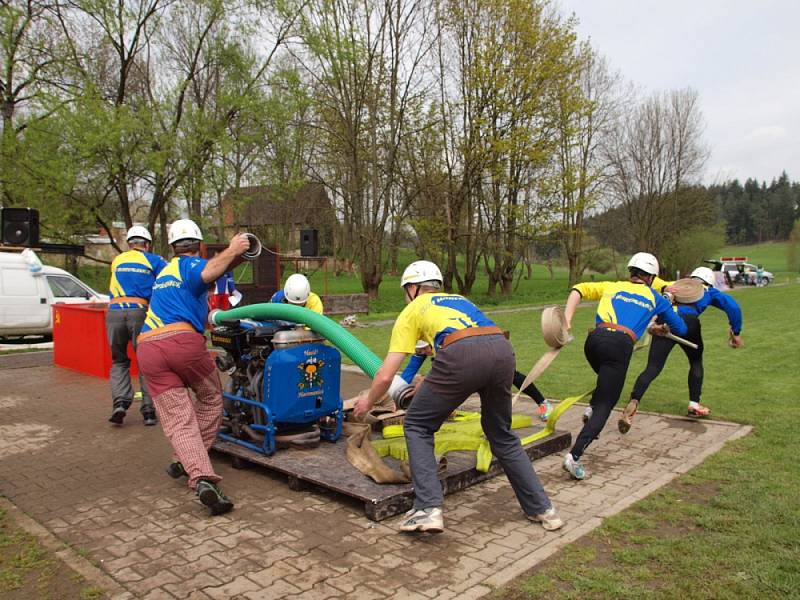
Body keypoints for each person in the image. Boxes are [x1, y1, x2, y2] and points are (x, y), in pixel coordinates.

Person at [353, 260, 563, 533]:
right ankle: (543, 509)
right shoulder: (458, 300)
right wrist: (430, 382)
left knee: (417, 425)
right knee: (501, 434)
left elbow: (384, 376)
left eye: (407, 290)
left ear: (414, 288)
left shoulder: (413, 309)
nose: (407, 296)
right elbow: (468, 341)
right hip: (501, 350)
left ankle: (428, 508)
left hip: (461, 356)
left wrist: (367, 403)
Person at [136, 219, 250, 516]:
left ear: (172, 246)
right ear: (199, 247)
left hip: (148, 349)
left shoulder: (164, 274)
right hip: (182, 344)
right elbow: (210, 270)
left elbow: (211, 277)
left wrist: (237, 257)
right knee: (212, 398)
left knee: (179, 420)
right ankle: (195, 469)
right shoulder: (189, 266)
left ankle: (194, 470)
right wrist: (233, 248)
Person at [561, 252, 688, 481]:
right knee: (606, 404)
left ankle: (591, 409)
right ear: (651, 277)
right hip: (618, 347)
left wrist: (567, 321)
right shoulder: (655, 298)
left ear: (631, 272)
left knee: (605, 382)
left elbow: (578, 289)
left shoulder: (612, 286)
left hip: (594, 341)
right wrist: (666, 311)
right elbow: (681, 329)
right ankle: (574, 456)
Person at [619, 266, 743, 432]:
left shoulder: (675, 286)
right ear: (709, 282)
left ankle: (634, 401)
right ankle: (694, 404)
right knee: (696, 361)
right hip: (689, 323)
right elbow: (733, 307)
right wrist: (735, 332)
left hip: (666, 321)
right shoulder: (709, 291)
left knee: (653, 367)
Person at [107, 225, 168, 426]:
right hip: (139, 312)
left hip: (114, 313)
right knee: (145, 362)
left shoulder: (117, 260)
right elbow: (168, 281)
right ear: (147, 244)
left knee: (119, 361)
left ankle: (120, 403)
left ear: (130, 244)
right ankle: (149, 411)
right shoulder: (154, 260)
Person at [400, 343, 553, 422]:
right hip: (465, 356)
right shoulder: (424, 346)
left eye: (424, 349)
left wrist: (425, 381)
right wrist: (397, 391)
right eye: (419, 351)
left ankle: (543, 403)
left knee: (511, 375)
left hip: (485, 349)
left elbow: (442, 375)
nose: (422, 353)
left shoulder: (444, 342)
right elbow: (409, 372)